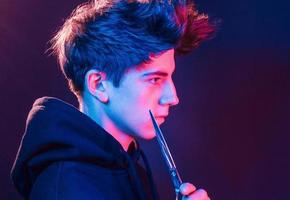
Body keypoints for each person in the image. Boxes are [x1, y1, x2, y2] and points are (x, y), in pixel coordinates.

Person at [11, 0, 215, 199]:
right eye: (154, 79)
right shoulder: (66, 187)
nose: (173, 97)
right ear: (98, 84)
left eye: (170, 77)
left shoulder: (132, 173)